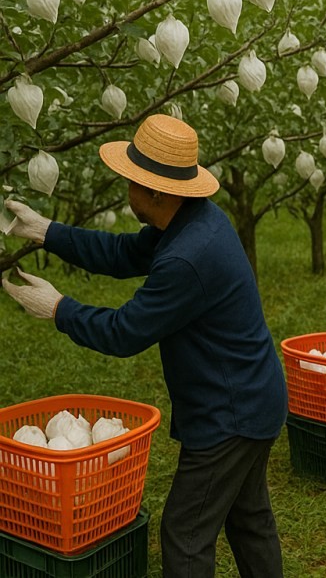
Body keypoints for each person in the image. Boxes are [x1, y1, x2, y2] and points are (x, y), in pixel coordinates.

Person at [2, 114, 287, 577]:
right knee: (247, 518)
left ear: (157, 191)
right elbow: (120, 254)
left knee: (185, 534)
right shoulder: (189, 222)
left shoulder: (187, 257)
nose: (125, 187)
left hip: (229, 414)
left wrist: (55, 307)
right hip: (254, 397)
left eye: (132, 181)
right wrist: (46, 231)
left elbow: (124, 331)